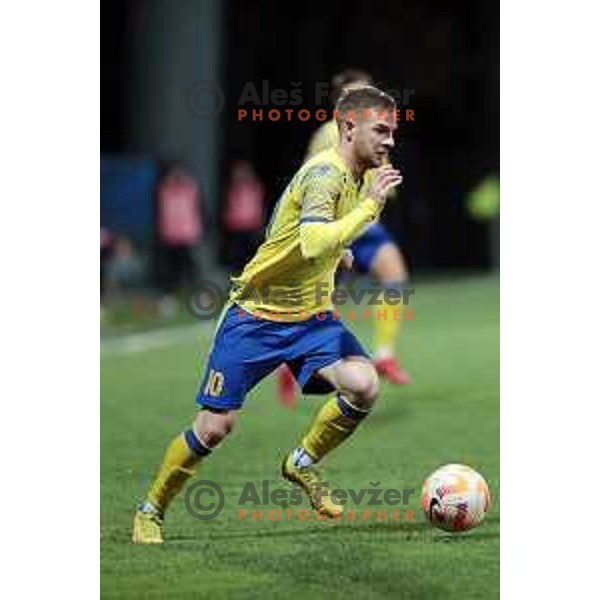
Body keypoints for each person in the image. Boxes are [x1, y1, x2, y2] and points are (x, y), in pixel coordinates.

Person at [132, 86, 403, 544]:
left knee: (364, 384)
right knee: (216, 427)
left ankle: (301, 463)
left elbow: (311, 240)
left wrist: (340, 252)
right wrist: (367, 211)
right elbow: (313, 241)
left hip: (311, 320)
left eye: (393, 132)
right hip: (256, 316)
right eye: (381, 130)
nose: (390, 140)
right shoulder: (326, 174)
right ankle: (150, 510)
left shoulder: (356, 175)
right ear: (348, 127)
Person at [278, 70, 412, 408]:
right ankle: (293, 361)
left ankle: (383, 355)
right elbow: (312, 179)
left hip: (368, 225)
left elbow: (379, 168)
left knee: (395, 277)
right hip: (338, 228)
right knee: (321, 305)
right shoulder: (327, 134)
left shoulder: (375, 131)